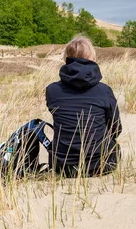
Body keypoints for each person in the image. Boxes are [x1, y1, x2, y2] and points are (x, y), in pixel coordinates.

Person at [45, 36, 122, 177]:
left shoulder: (52, 90)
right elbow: (116, 129)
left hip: (63, 166)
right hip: (102, 164)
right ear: (92, 58)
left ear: (66, 59)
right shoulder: (104, 90)